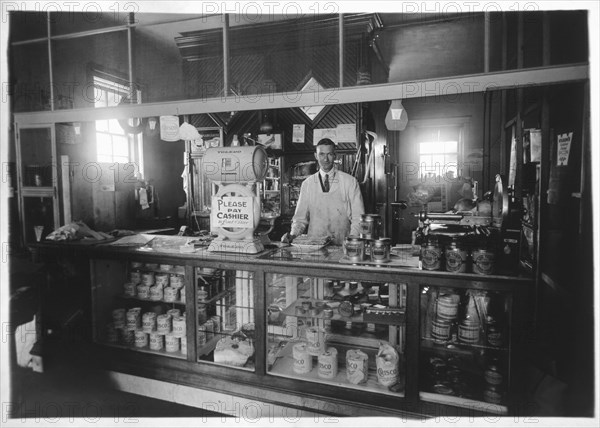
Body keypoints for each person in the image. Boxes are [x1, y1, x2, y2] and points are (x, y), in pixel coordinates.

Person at [282, 138, 365, 245]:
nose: (325, 159)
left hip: (342, 245)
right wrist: (292, 235)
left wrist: (351, 241)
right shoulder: (308, 184)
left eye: (329, 154)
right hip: (314, 247)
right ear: (316, 156)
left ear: (335, 155)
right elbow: (300, 219)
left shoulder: (350, 182)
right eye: (321, 154)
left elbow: (358, 218)